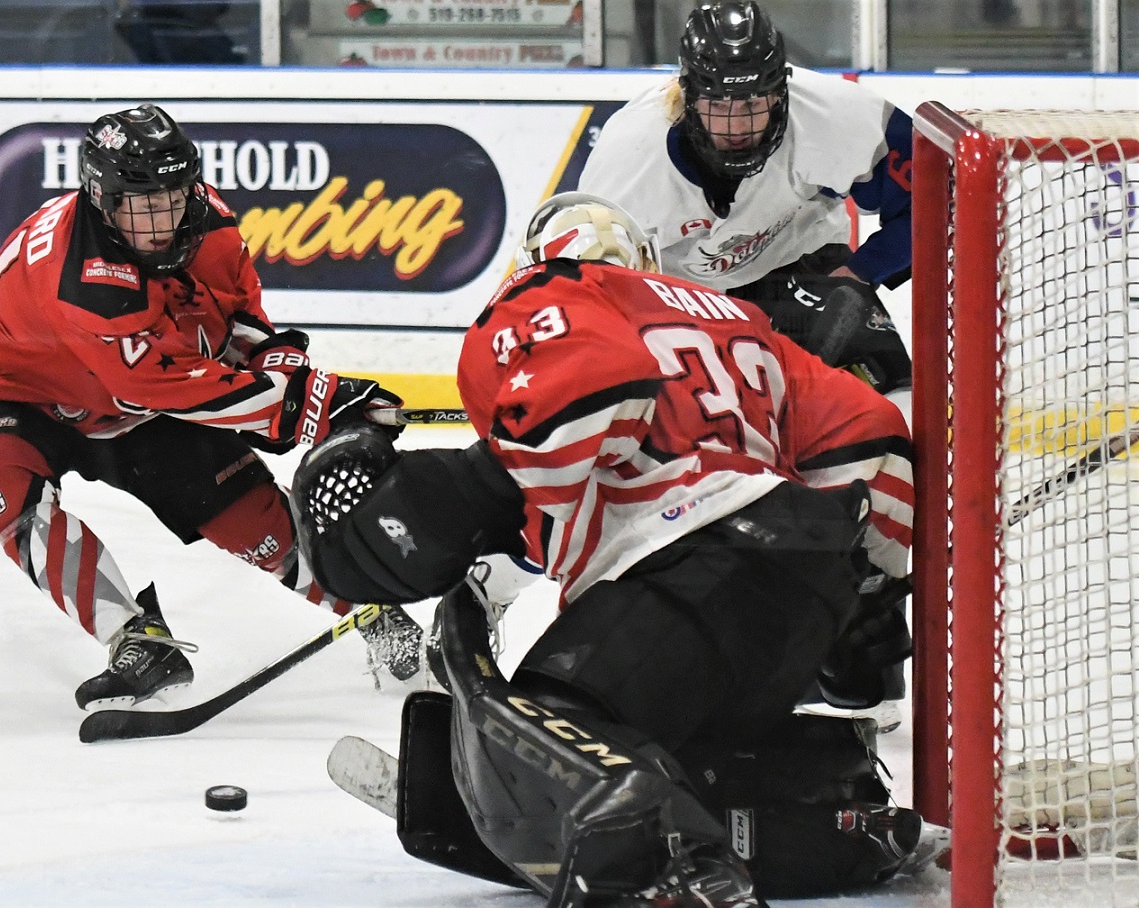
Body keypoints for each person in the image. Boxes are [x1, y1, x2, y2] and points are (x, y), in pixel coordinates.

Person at [291, 193, 942, 907]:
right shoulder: (739, 320)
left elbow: (598, 379)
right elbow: (874, 431)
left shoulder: (554, 289)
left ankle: (674, 865)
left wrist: (479, 479)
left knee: (556, 721)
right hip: (797, 579)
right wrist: (862, 601)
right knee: (677, 753)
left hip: (694, 558)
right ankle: (835, 817)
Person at [0, 103, 421, 712]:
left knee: (254, 522)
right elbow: (169, 385)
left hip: (128, 397)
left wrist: (302, 383)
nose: (164, 219)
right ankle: (137, 640)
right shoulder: (85, 285)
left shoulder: (208, 222)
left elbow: (237, 325)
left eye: (174, 195)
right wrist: (312, 405)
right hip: (13, 393)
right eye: (143, 205)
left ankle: (373, 610)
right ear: (102, 202)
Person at [577, 0, 913, 401]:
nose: (737, 125)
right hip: (677, 300)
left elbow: (935, 201)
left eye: (753, 103)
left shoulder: (834, 115)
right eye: (719, 105)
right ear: (688, 97)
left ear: (779, 92)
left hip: (800, 268)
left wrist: (862, 271)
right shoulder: (629, 158)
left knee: (890, 398)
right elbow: (589, 288)